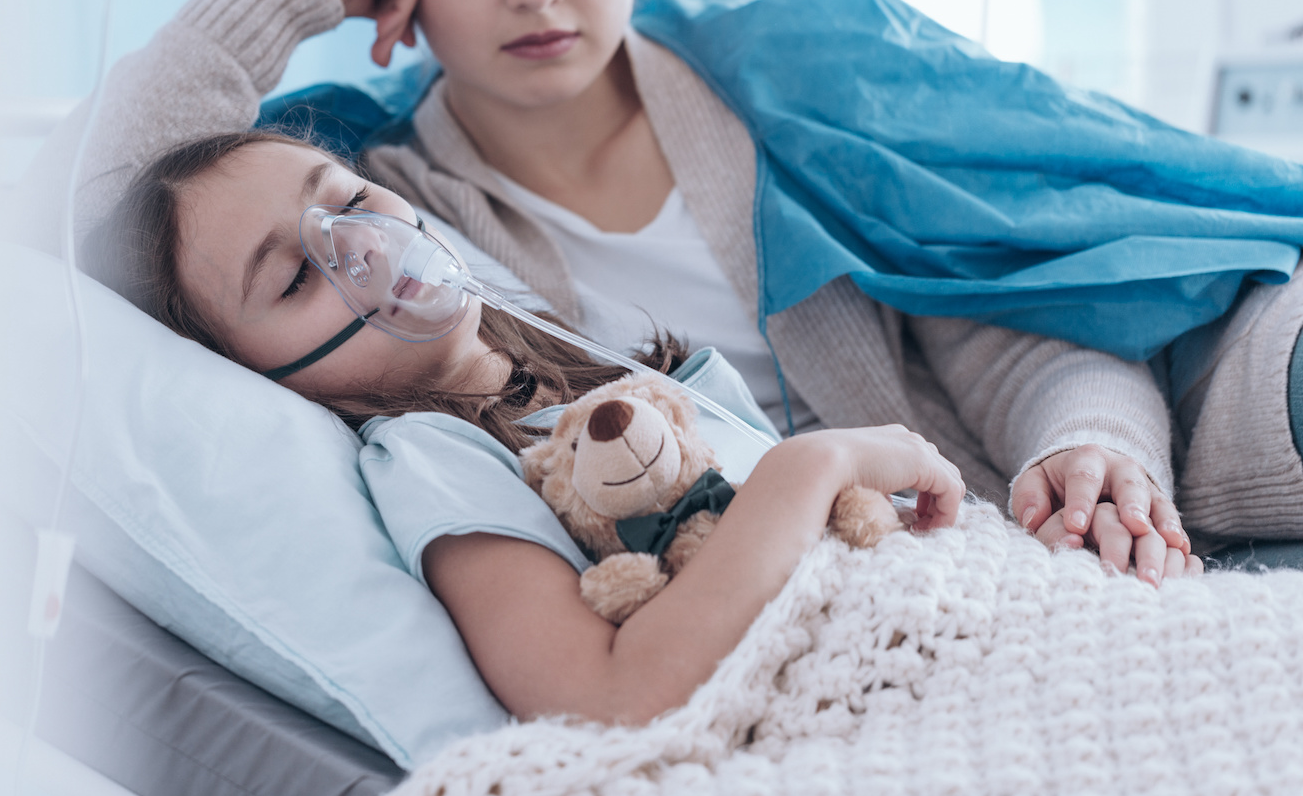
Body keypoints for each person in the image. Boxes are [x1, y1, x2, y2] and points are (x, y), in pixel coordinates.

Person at [18, 0, 1303, 589]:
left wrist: (1093, 453)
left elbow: (1028, 309)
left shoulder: (785, 72)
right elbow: (89, 209)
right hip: (859, 574)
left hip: (1133, 409)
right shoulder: (383, 211)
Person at [91, 124, 977, 724]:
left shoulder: (584, 371)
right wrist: (811, 466)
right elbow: (607, 697)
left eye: (352, 203)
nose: (358, 248)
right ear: (251, 377)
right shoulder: (435, 457)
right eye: (292, 279)